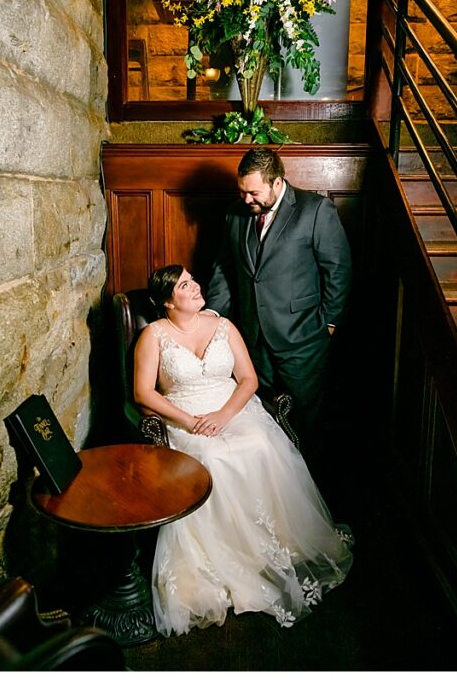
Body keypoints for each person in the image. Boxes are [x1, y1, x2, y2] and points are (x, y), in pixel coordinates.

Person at [134, 264, 352, 637]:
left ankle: (276, 542)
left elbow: (248, 379)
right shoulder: (153, 336)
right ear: (168, 301)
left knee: (261, 444)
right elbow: (144, 394)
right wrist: (189, 421)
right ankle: (230, 557)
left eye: (193, 279)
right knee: (214, 458)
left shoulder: (223, 325)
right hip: (184, 415)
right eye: (185, 285)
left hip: (231, 408)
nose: (196, 286)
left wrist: (224, 414)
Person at [203, 147, 351, 478]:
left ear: (277, 182)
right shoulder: (234, 214)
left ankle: (312, 501)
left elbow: (337, 270)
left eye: (254, 192)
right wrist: (212, 319)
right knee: (263, 423)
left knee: (306, 427)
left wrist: (327, 324)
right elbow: (224, 270)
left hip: (304, 340)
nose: (246, 199)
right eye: (241, 191)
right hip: (253, 339)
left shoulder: (316, 211)